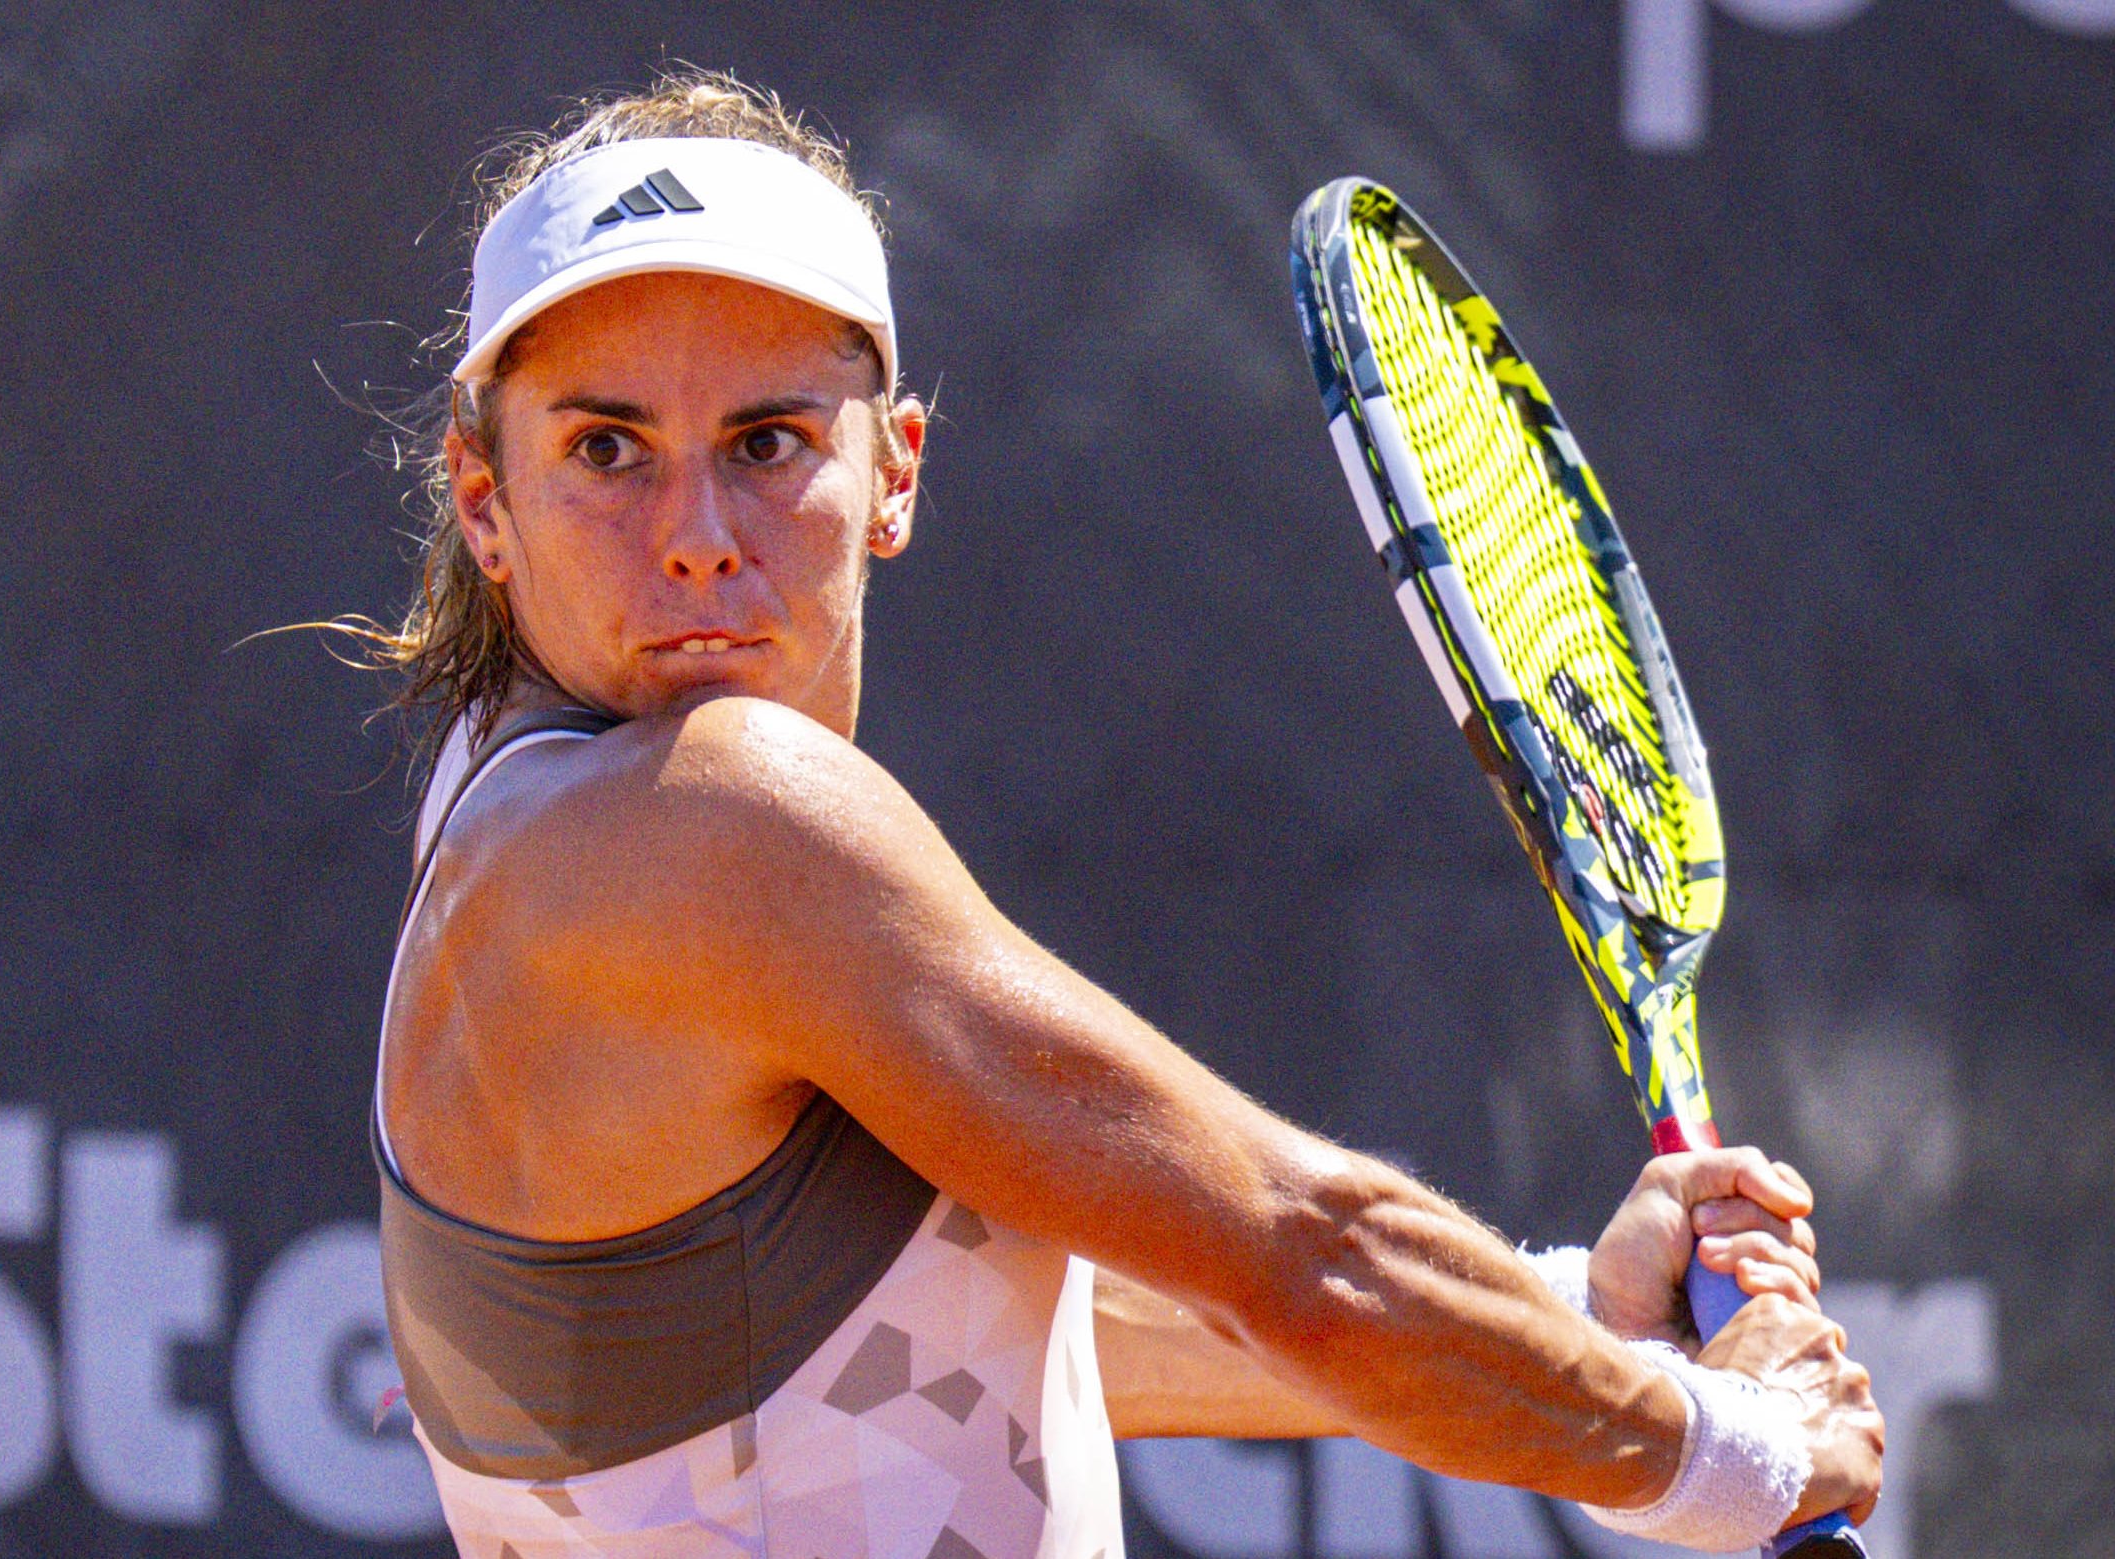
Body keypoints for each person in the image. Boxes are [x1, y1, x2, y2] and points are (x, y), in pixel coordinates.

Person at [346, 71, 1883, 1558]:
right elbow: (1303, 1250)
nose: (693, 535)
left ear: (893, 473)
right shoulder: (714, 816)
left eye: (766, 444)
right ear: (483, 499)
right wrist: (1734, 1450)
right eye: (604, 449)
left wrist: (1566, 1322)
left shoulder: (495, 816)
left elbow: (975, 1321)